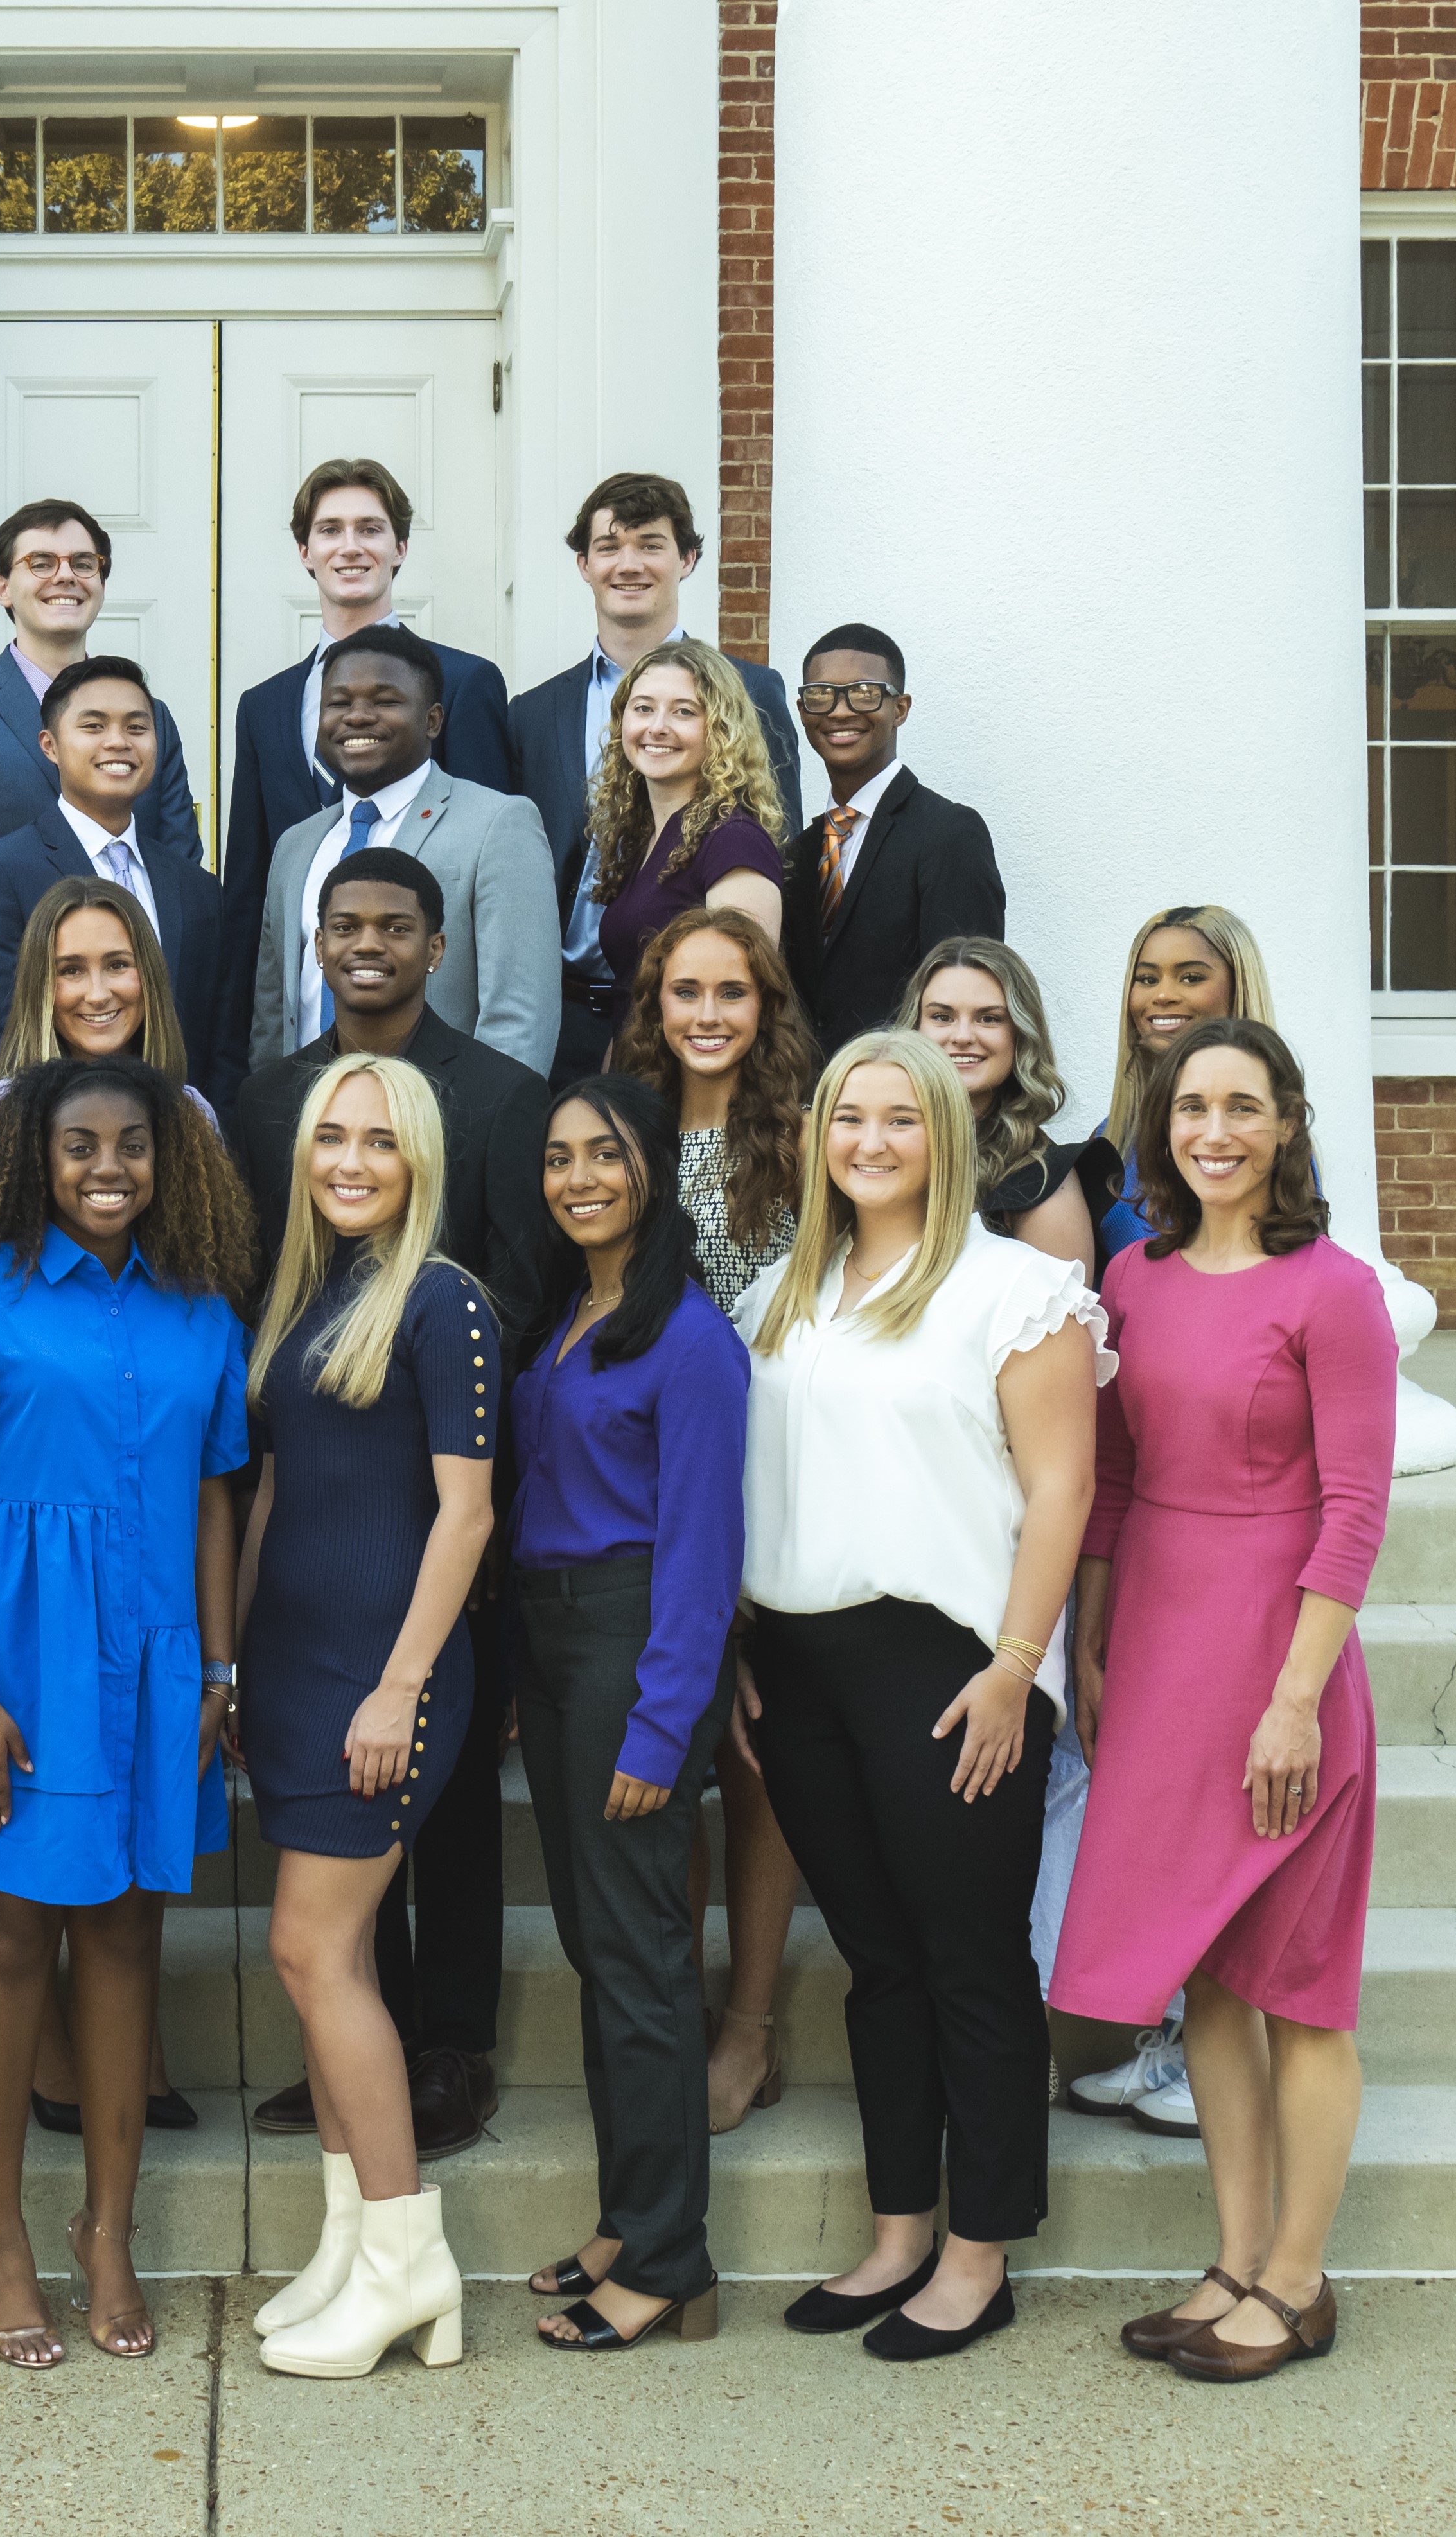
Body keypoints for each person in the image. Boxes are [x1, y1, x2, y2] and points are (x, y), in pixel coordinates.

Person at [0, 1055, 259, 2371]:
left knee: (130, 1934)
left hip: (153, 1666)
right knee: (13, 1935)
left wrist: (221, 1674)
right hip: (14, 1663)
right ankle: (3, 2234)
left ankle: (109, 2231)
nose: (109, 1169)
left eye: (133, 1145)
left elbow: (213, 1499)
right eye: (80, 1146)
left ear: (168, 1159)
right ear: (35, 1157)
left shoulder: (201, 1313)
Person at [731, 1030, 1105, 2364]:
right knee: (879, 1960)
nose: (871, 1140)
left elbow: (1062, 1487)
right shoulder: (786, 1285)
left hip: (952, 1663)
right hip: (800, 1662)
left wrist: (1018, 1664)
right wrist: (738, 1651)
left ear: (944, 1134)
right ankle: (897, 2231)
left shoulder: (1017, 1291)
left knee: (969, 1959)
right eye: (848, 1117)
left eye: (900, 1117)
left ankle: (978, 2251)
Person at [1053, 1016, 1390, 2383]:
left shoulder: (1332, 1290)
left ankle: (1300, 2281)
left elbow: (1357, 1509)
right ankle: (1234, 2253)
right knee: (1206, 1975)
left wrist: (1296, 1700)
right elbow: (1115, 1482)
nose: (1213, 1129)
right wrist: (1086, 1636)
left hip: (1279, 1661)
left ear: (1286, 1125)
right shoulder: (1130, 1277)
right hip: (1161, 1656)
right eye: (1192, 1105)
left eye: (1241, 1106)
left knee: (1297, 1987)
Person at [222, 845, 553, 2163]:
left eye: (394, 924)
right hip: (316, 1566)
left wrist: (414, 1662)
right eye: (342, 923)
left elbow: (514, 1301)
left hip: (431, 1530)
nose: (367, 942)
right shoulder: (269, 1108)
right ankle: (366, 2059)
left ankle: (447, 2055)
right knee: (328, 1930)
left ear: (435, 944)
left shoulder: (503, 1100)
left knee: (446, 1820)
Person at [235, 1053, 498, 2379]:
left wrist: (399, 1683)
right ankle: (350, 2244)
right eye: (330, 1137)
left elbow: (466, 1512)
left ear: (419, 1161)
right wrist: (231, 1667)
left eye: (377, 1143)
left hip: (382, 1679)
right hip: (288, 1670)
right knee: (308, 1959)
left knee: (316, 1953)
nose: (348, 1160)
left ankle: (408, 2265)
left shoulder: (443, 1302)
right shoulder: (302, 1295)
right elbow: (278, 1497)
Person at [509, 1071, 747, 2355]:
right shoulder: (570, 1309)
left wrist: (663, 1726)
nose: (579, 1178)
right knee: (605, 1952)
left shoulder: (690, 1337)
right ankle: (624, 2218)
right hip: (553, 1648)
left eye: (604, 1155)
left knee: (646, 1960)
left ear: (651, 1167)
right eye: (558, 1159)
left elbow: (702, 1555)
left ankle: (668, 2260)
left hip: (629, 1649)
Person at [608, 905, 818, 2134]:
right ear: (653, 1005)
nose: (704, 1015)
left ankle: (747, 2025)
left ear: (763, 1008)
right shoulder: (615, 1136)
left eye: (729, 993)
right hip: (639, 1491)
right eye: (682, 991)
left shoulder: (797, 1142)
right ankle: (665, 2007)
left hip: (772, 1477)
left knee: (752, 1763)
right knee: (666, 1757)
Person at [505, 475, 803, 1080]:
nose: (629, 564)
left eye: (651, 544)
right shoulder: (531, 715)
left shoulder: (754, 693)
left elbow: (778, 857)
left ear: (688, 559)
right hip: (558, 1014)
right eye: (610, 547)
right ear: (584, 565)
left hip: (688, 1028)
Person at [220, 457, 520, 1011]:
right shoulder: (263, 706)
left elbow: (488, 863)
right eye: (330, 530)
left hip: (427, 1009)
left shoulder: (462, 682)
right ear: (305, 553)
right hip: (304, 1017)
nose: (350, 546)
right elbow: (248, 892)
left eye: (371, 529)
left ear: (400, 548)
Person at [248, 625, 557, 1076]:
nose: (356, 716)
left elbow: (520, 1014)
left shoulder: (498, 823)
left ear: (433, 720)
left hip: (441, 1128)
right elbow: (273, 1016)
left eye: (384, 701)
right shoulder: (296, 845)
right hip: (308, 1125)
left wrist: (482, 1133)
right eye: (338, 703)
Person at [0, 656, 244, 1108]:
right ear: (50, 745)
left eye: (137, 728)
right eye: (94, 727)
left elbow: (221, 1055)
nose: (118, 742)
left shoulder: (195, 889)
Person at [0, 496, 202, 884]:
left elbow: (180, 870)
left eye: (83, 564)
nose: (66, 576)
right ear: (3, 588)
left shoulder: (153, 717)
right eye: (41, 564)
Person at [780, 623, 1004, 1051]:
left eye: (865, 692)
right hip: (812, 1103)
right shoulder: (799, 853)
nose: (840, 711)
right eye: (820, 694)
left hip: (910, 1099)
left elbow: (968, 996)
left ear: (900, 708)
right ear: (802, 710)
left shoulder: (949, 833)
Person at [0, 877, 220, 1177]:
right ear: (41, 988)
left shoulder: (193, 1113)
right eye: (71, 971)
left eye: (117, 965)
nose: (98, 995)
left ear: (149, 976)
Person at [587, 638, 791, 999]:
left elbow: (735, 1001)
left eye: (684, 712)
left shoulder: (734, 841)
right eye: (644, 708)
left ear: (721, 730)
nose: (658, 727)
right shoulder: (645, 835)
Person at [1089, 903, 1279, 1260]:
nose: (1162, 995)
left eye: (1191, 978)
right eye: (1147, 979)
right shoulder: (1109, 1138)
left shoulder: (1267, 1138)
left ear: (1239, 989)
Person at [903, 936, 1099, 1279]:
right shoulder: (874, 1147)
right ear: (914, 1028)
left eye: (989, 1019)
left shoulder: (1043, 1179)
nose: (962, 1036)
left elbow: (1062, 1330)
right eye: (942, 1016)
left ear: (1020, 1034)